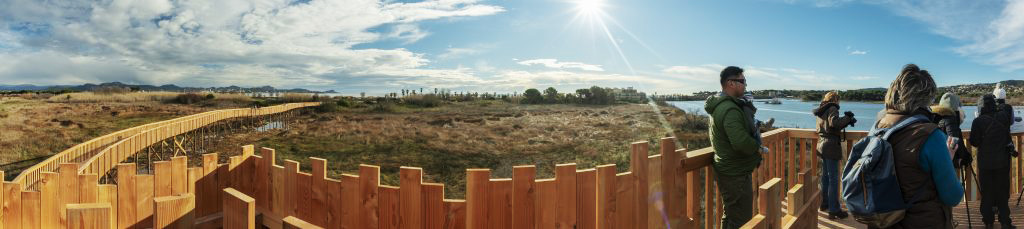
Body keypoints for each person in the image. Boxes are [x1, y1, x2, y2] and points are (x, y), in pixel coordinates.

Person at [872, 64, 962, 228]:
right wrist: (947, 159)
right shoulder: (931, 136)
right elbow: (953, 196)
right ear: (926, 98)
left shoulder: (878, 128)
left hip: (882, 221)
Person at [705, 66, 762, 229]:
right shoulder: (730, 109)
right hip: (735, 173)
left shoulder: (723, 105)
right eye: (742, 81)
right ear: (731, 83)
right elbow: (740, 142)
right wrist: (757, 147)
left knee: (730, 215)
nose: (745, 85)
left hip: (729, 169)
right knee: (741, 220)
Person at [971, 94, 1016, 229]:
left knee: (987, 193)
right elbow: (1007, 132)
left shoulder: (978, 121)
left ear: (980, 106)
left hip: (985, 163)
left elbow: (974, 141)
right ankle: (1005, 222)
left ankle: (988, 222)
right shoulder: (1003, 116)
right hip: (1002, 162)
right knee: (1002, 192)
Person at [812, 91, 856, 219]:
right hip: (831, 146)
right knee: (833, 179)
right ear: (836, 99)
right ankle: (834, 209)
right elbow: (834, 123)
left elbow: (828, 125)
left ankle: (824, 203)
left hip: (821, 144)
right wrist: (847, 118)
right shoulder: (832, 108)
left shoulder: (821, 110)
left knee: (825, 177)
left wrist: (846, 120)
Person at [930, 92, 972, 168]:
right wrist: (965, 157)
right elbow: (954, 142)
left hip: (936, 162)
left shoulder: (935, 117)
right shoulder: (950, 119)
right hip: (947, 165)